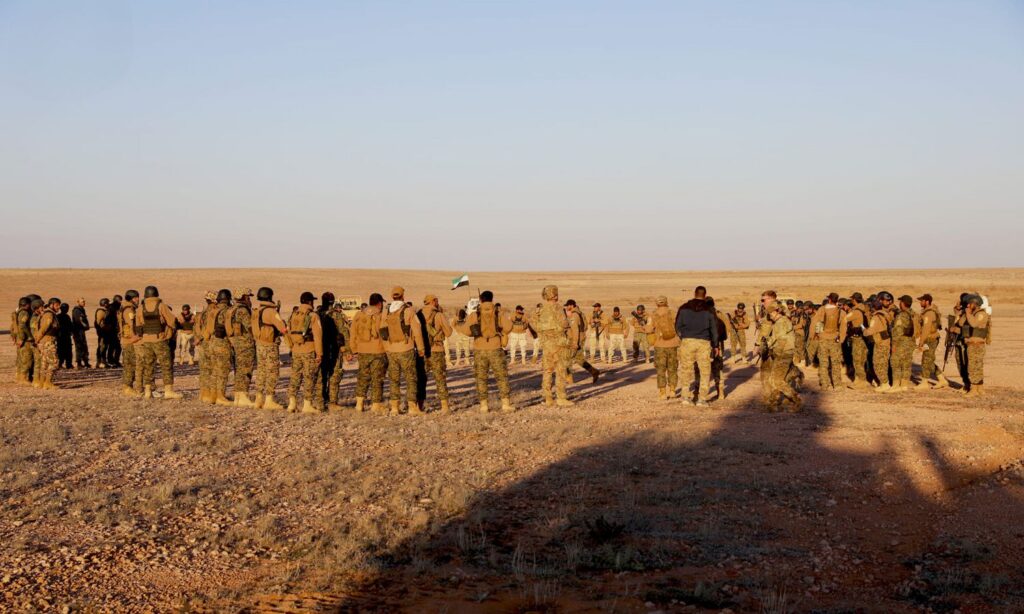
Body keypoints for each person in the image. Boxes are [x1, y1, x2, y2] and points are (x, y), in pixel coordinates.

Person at [458, 290, 515, 413]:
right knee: (501, 377)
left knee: (481, 378)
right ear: (492, 299)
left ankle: (484, 406)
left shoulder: (474, 314)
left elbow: (466, 331)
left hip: (480, 348)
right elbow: (509, 327)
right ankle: (505, 404)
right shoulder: (498, 313)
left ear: (481, 299)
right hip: (495, 347)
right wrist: (500, 331)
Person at [382, 286, 426, 415]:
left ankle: (395, 407)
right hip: (406, 349)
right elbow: (417, 331)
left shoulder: (387, 311)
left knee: (394, 379)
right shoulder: (408, 310)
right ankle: (412, 407)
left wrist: (387, 348)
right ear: (403, 296)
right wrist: (421, 348)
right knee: (410, 378)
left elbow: (382, 332)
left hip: (391, 350)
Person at [134, 286, 183, 400]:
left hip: (146, 340)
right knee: (166, 365)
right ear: (156, 294)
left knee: (148, 366)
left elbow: (138, 326)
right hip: (160, 340)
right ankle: (168, 391)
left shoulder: (140, 308)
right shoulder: (161, 306)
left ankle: (147, 391)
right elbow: (171, 322)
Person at [676, 286, 719, 407]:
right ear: (705, 295)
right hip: (703, 343)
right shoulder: (709, 310)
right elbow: (714, 329)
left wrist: (684, 337)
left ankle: (685, 397)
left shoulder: (683, 308)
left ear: (694, 293)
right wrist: (715, 345)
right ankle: (702, 399)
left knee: (686, 370)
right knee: (705, 371)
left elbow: (677, 326)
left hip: (687, 342)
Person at [533, 285, 573, 407]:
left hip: (546, 344)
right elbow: (564, 324)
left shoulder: (539, 310)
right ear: (555, 295)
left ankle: (548, 398)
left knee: (547, 371)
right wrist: (568, 320)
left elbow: (536, 325)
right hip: (558, 343)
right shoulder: (558, 308)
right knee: (560, 371)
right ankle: (561, 398)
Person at [350, 293, 388, 413]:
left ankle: (359, 403)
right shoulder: (381, 315)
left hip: (362, 350)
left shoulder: (359, 314)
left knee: (363, 377)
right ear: (380, 303)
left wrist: (354, 349)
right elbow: (385, 334)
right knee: (377, 378)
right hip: (378, 351)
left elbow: (353, 333)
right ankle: (376, 404)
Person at [287, 292, 324, 413]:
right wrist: (319, 353)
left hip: (296, 350)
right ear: (310, 302)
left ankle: (292, 403)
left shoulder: (294, 314)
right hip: (309, 349)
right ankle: (307, 405)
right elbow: (318, 336)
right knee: (309, 377)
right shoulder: (313, 315)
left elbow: (287, 332)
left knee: (295, 376)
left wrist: (291, 347)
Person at [251, 287, 288, 410]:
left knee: (261, 371)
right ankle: (269, 400)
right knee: (272, 371)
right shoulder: (271, 312)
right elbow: (282, 329)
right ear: (269, 297)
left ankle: (258, 399)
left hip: (259, 344)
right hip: (270, 345)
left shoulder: (257, 311)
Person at [764, 301, 802, 411]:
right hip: (784, 353)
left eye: (771, 314)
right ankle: (773, 403)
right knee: (775, 379)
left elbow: (781, 340)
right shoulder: (781, 321)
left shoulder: (781, 322)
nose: (770, 317)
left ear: (777, 312)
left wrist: (774, 352)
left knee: (776, 380)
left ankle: (796, 400)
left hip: (783, 354)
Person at [951, 294, 990, 396]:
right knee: (975, 367)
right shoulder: (972, 313)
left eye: (970, 303)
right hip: (972, 344)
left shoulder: (981, 314)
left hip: (977, 345)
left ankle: (974, 389)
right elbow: (960, 323)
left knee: (974, 367)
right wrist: (963, 312)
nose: (968, 305)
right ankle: (979, 388)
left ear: (975, 303)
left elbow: (974, 324)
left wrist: (968, 313)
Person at [224, 288, 256, 407]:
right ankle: (243, 396)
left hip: (235, 343)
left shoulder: (231, 309)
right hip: (245, 343)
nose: (249, 299)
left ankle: (238, 396)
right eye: (248, 297)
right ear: (244, 297)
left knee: (239, 370)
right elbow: (250, 326)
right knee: (245, 370)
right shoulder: (243, 310)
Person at [420, 294, 453, 412]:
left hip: (422, 351)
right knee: (440, 378)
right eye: (436, 300)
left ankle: (419, 405)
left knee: (421, 379)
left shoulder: (418, 314)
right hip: (436, 350)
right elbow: (448, 333)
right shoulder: (438, 314)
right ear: (433, 302)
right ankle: (444, 406)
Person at [645, 296, 680, 399]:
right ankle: (673, 390)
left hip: (660, 345)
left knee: (661, 369)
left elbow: (648, 329)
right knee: (672, 368)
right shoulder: (673, 312)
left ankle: (663, 392)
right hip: (673, 344)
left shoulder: (653, 314)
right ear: (666, 302)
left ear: (657, 303)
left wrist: (645, 327)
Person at [205, 289, 235, 406]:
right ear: (228, 298)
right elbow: (230, 330)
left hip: (212, 343)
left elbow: (207, 330)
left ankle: (213, 395)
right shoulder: (228, 311)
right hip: (223, 343)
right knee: (222, 371)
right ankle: (221, 396)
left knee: (215, 371)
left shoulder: (213, 310)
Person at [322, 299, 352, 412]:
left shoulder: (319, 313)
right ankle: (332, 402)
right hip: (334, 349)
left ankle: (321, 401)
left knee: (322, 376)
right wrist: (347, 351)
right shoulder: (337, 316)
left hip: (322, 349)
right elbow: (343, 332)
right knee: (335, 375)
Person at [810, 293, 844, 390]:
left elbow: (815, 323)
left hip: (823, 339)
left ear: (829, 300)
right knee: (836, 363)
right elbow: (843, 326)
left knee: (823, 363)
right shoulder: (840, 311)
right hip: (835, 339)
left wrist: (814, 335)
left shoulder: (822, 310)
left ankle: (825, 385)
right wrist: (841, 339)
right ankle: (837, 385)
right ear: (836, 300)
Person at [563, 299, 601, 386]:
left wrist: (575, 342)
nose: (566, 307)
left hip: (575, 340)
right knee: (579, 359)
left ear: (571, 305)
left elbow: (575, 329)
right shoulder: (580, 313)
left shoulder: (574, 315)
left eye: (567, 306)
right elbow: (585, 327)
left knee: (566, 358)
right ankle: (594, 371)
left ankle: (569, 379)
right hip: (580, 339)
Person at [885, 295, 918, 393]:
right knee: (906, 363)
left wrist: (894, 345)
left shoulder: (901, 315)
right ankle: (904, 384)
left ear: (903, 303)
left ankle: (896, 385)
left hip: (901, 342)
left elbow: (897, 332)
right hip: (911, 342)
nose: (899, 304)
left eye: (900, 302)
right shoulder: (913, 313)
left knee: (895, 362)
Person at [915, 294, 948, 389]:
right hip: (930, 338)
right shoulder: (927, 311)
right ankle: (942, 380)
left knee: (926, 361)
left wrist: (921, 342)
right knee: (928, 360)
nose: (920, 302)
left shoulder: (929, 314)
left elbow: (926, 328)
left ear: (927, 302)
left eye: (922, 301)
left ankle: (924, 382)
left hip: (930, 339)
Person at [839, 292, 870, 389]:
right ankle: (858, 379)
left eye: (852, 299)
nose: (851, 301)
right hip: (863, 337)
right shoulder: (864, 309)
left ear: (855, 300)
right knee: (861, 360)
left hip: (857, 339)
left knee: (857, 360)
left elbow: (845, 319)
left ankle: (862, 381)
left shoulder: (856, 311)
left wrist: (842, 336)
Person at [863, 297, 893, 392]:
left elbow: (870, 331)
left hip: (880, 343)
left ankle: (884, 383)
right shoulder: (885, 315)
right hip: (886, 342)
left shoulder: (876, 317)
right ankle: (885, 383)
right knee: (883, 363)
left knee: (878, 364)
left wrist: (864, 330)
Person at [31, 298, 62, 389]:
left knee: (45, 363)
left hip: (45, 341)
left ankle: (42, 383)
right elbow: (43, 329)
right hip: (48, 341)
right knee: (54, 362)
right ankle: (48, 382)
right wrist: (37, 340)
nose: (58, 307)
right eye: (57, 305)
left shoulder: (46, 314)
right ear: (51, 305)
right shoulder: (49, 314)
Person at [194, 291, 217, 403]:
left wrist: (198, 338)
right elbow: (208, 328)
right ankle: (210, 395)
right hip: (209, 342)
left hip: (202, 344)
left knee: (204, 369)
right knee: (212, 369)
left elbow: (196, 327)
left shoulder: (202, 312)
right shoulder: (212, 312)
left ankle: (203, 394)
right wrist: (203, 337)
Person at [118, 291, 142, 397]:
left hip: (128, 339)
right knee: (130, 364)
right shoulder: (128, 309)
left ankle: (129, 386)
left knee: (130, 363)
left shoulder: (125, 307)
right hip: (129, 340)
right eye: (136, 298)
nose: (137, 299)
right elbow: (131, 324)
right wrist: (135, 337)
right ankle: (127, 387)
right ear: (131, 298)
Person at [11, 297, 34, 384]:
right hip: (24, 339)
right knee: (26, 359)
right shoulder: (24, 313)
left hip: (19, 338)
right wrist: (29, 336)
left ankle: (19, 377)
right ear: (27, 304)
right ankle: (24, 379)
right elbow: (23, 326)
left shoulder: (17, 312)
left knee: (20, 358)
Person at [71, 298, 91, 369]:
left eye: (84, 301)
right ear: (78, 302)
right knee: (79, 347)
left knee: (84, 347)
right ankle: (79, 363)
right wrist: (85, 326)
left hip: (81, 331)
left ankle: (86, 362)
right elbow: (79, 321)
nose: (84, 302)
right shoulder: (77, 311)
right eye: (82, 301)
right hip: (78, 332)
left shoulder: (81, 310)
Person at [93, 298, 111, 368]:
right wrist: (106, 327)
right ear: (105, 304)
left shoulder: (104, 311)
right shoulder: (101, 311)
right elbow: (99, 322)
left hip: (104, 332)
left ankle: (103, 361)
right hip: (102, 333)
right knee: (101, 347)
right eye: (108, 303)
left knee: (104, 347)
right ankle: (99, 362)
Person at [106, 295, 123, 368]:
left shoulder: (114, 307)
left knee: (115, 347)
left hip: (114, 330)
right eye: (120, 300)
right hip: (112, 330)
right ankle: (112, 361)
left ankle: (114, 361)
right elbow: (108, 319)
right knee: (114, 346)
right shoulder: (112, 308)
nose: (121, 301)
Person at [56, 302, 74, 369]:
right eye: (65, 308)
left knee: (67, 351)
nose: (66, 309)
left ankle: (68, 364)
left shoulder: (66, 316)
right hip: (61, 336)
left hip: (65, 336)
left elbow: (71, 326)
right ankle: (61, 364)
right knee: (62, 351)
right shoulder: (60, 317)